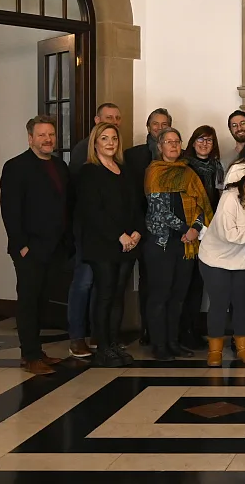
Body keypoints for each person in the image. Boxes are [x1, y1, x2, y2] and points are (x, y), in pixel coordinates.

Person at [0, 116, 72, 375]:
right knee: (29, 302)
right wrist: (22, 245)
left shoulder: (60, 165)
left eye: (51, 134)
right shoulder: (16, 166)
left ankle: (36, 352)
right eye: (42, 135)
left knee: (42, 301)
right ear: (30, 138)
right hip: (29, 248)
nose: (47, 139)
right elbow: (10, 210)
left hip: (55, 248)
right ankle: (30, 356)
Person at [144, 127, 214, 361]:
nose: (173, 145)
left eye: (177, 141)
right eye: (168, 142)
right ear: (160, 146)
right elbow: (158, 210)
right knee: (160, 296)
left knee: (178, 296)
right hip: (162, 243)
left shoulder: (188, 172)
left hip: (186, 244)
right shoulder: (154, 172)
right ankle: (159, 344)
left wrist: (196, 228)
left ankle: (173, 342)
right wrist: (186, 229)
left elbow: (201, 204)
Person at [76, 123, 143, 367]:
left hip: (128, 243)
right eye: (104, 138)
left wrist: (136, 232)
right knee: (104, 294)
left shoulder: (125, 171)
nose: (110, 142)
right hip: (102, 244)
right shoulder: (88, 172)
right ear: (95, 143)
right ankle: (103, 347)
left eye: (114, 138)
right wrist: (119, 235)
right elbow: (93, 211)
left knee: (117, 295)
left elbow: (137, 205)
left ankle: (114, 343)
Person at [200, 159, 245, 367]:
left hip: (243, 260)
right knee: (219, 304)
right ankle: (215, 350)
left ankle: (243, 348)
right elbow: (229, 234)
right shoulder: (230, 198)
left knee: (242, 304)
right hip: (216, 258)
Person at [66, 102, 122, 358]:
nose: (113, 122)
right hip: (89, 235)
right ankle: (77, 337)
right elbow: (86, 201)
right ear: (96, 121)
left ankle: (101, 337)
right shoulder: (84, 153)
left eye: (117, 119)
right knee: (84, 283)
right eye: (108, 118)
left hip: (111, 238)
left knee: (104, 288)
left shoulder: (118, 158)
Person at [125, 108, 173, 345]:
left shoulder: (177, 154)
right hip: (141, 227)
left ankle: (167, 333)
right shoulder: (132, 155)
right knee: (147, 281)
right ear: (148, 127)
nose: (160, 128)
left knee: (169, 282)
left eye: (165, 124)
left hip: (171, 229)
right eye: (155, 124)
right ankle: (147, 331)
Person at [179, 125, 225, 350]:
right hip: (190, 229)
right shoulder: (184, 166)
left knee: (199, 283)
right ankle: (183, 331)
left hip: (211, 230)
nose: (204, 144)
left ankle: (194, 330)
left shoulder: (217, 167)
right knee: (185, 283)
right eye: (200, 139)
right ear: (192, 142)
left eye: (209, 140)